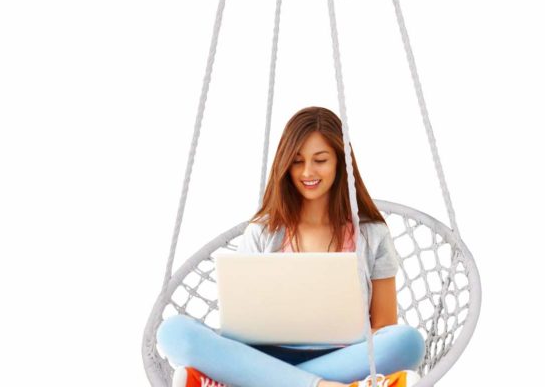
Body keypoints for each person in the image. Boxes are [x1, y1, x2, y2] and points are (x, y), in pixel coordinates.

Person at [157, 106, 425, 387]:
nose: (307, 172)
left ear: (340, 161)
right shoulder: (262, 232)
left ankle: (239, 382)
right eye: (297, 161)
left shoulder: (372, 234)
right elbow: (240, 325)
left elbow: (384, 327)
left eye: (320, 160)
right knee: (173, 332)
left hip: (343, 357)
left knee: (407, 341)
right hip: (261, 355)